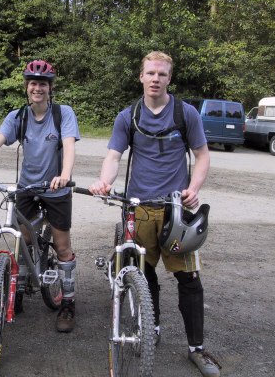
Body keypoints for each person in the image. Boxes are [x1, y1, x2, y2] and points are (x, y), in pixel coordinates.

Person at [89, 51, 221, 377]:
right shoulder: (128, 116)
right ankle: (153, 326)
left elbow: (202, 156)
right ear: (141, 76)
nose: (155, 79)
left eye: (161, 74)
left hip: (176, 209)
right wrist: (105, 180)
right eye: (150, 73)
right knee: (144, 274)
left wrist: (195, 185)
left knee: (188, 278)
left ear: (169, 78)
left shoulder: (185, 113)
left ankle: (196, 349)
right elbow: (113, 155)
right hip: (139, 208)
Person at [0, 59, 80, 333]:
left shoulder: (62, 114)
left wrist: (64, 174)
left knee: (62, 246)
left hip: (56, 189)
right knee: (21, 241)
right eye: (33, 83)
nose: (37, 88)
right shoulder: (17, 116)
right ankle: (16, 290)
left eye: (42, 83)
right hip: (27, 188)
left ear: (50, 88)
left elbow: (68, 146)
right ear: (26, 87)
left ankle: (67, 302)